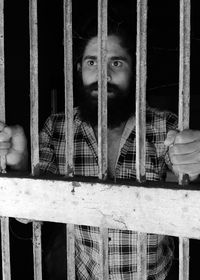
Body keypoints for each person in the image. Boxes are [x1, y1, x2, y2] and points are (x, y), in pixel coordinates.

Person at [0, 18, 200, 280]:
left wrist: (193, 167)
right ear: (79, 68)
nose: (103, 75)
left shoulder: (165, 125)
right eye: (92, 62)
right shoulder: (58, 128)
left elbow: (188, 183)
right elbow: (27, 216)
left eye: (116, 63)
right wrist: (18, 163)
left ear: (136, 71)